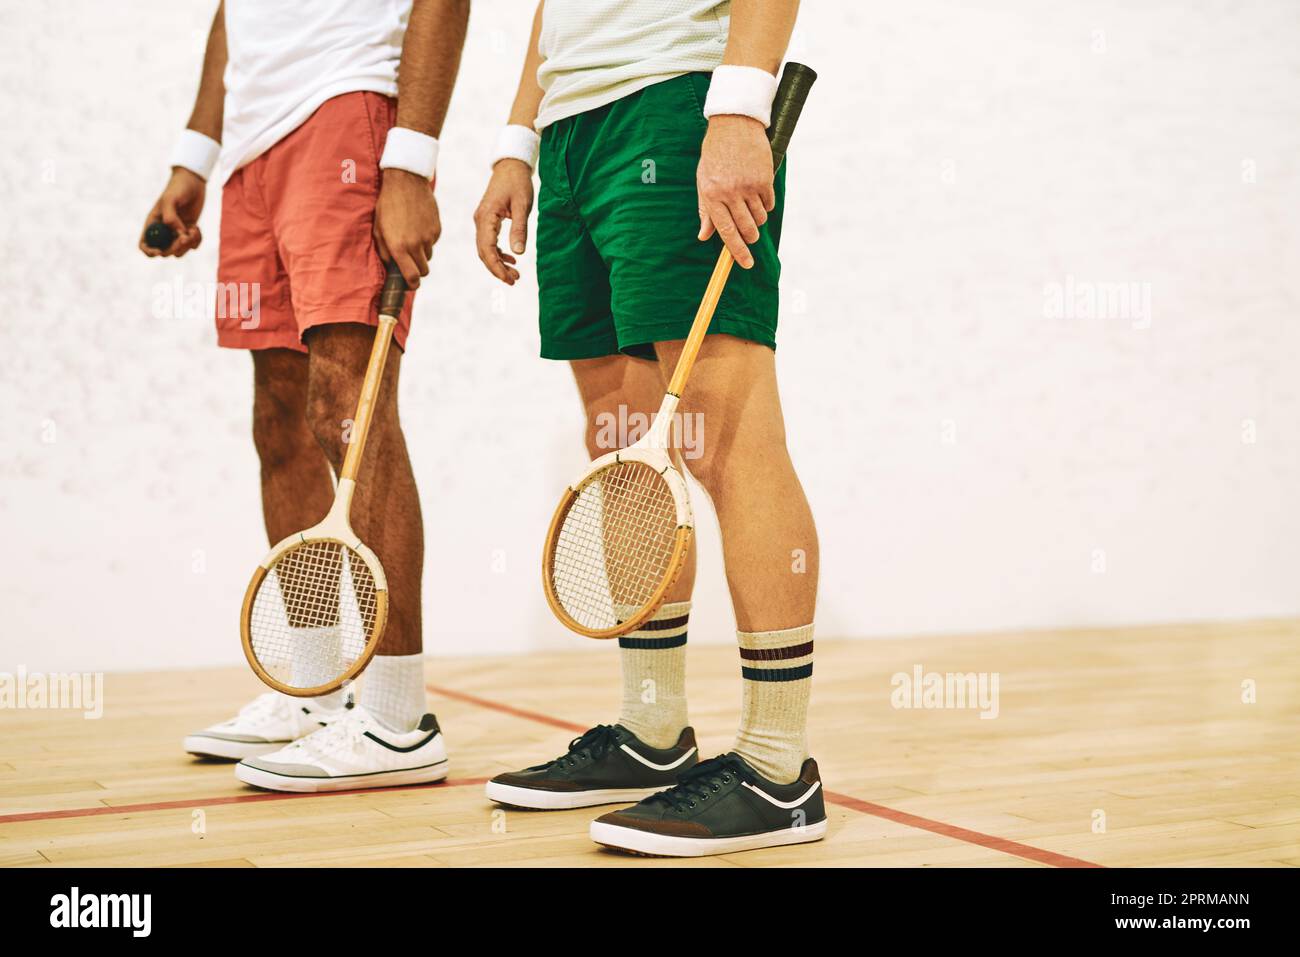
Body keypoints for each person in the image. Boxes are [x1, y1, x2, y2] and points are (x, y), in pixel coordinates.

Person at [473, 0, 825, 856]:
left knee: (728, 434)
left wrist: (740, 102)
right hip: (572, 133)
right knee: (625, 441)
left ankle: (779, 773)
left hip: (675, 102)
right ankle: (652, 731)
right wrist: (519, 140)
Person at [140, 0, 469, 792]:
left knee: (349, 411)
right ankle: (317, 691)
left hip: (346, 114)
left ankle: (396, 719)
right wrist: (195, 158)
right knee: (279, 423)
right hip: (254, 152)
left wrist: (411, 160)